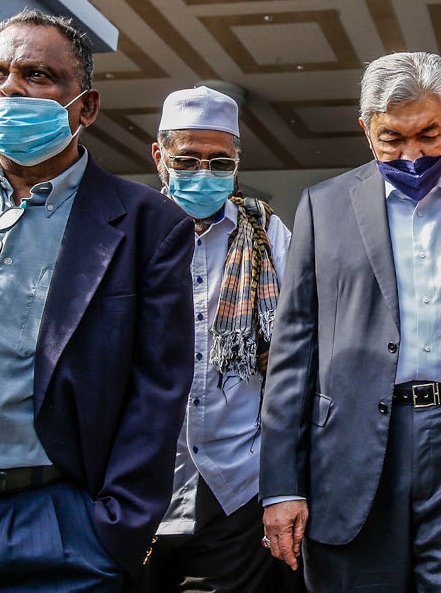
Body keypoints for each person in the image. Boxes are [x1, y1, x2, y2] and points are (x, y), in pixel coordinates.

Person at [0, 10, 195, 590]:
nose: (10, 88)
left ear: (86, 108)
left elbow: (159, 391)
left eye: (38, 76)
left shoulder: (147, 225)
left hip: (42, 530)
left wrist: (114, 530)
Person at [259, 52, 441, 591]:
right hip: (352, 453)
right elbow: (293, 353)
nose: (412, 155)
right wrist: (280, 486)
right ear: (366, 129)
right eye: (392, 138)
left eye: (428, 135)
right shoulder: (324, 207)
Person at [145, 86, 303, 592]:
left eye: (219, 161)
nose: (204, 173)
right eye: (187, 159)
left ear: (237, 161)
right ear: (159, 157)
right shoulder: (128, 231)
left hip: (237, 481)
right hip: (141, 481)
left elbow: (297, 349)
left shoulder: (266, 235)